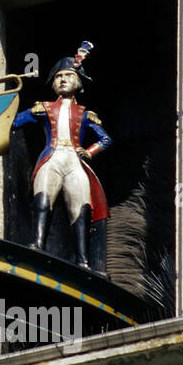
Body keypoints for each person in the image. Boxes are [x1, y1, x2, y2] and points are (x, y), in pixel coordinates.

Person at [11, 41, 111, 272]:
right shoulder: (43, 107)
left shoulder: (85, 113)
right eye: (58, 76)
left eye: (68, 75)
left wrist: (89, 151)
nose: (63, 79)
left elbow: (106, 139)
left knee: (80, 207)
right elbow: (14, 122)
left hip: (74, 160)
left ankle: (83, 260)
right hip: (52, 157)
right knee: (43, 198)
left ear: (78, 82)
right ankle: (37, 243)